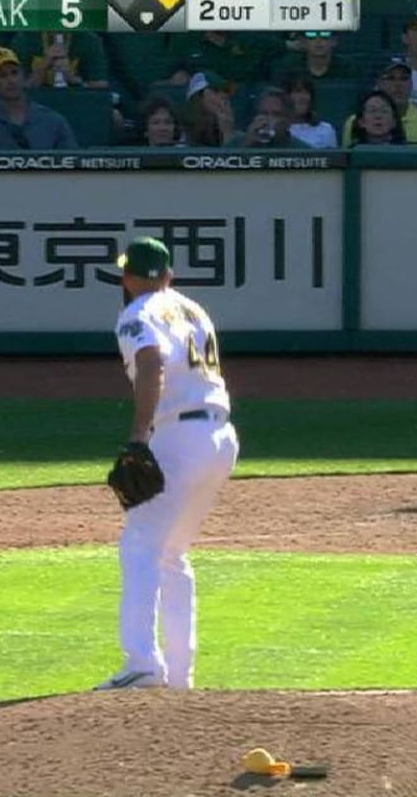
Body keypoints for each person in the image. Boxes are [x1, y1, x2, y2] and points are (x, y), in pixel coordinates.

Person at [96, 236, 239, 691]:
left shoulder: (137, 314)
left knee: (140, 545)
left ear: (129, 277)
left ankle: (142, 664)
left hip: (180, 436)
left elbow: (152, 361)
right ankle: (179, 676)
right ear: (169, 275)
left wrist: (139, 435)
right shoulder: (193, 309)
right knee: (171, 553)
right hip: (219, 437)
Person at [0, 48, 79, 150]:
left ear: (23, 76)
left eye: (14, 73)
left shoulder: (53, 120)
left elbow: (73, 162)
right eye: (3, 75)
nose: (11, 80)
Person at [339, 58, 417, 147]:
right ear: (379, 83)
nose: (398, 84)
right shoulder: (354, 121)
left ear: (411, 84)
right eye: (390, 78)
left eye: (404, 79)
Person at [13, 30, 110, 89]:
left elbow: (101, 86)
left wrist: (72, 79)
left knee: (115, 117)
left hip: (77, 101)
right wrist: (42, 68)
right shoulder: (25, 38)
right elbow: (15, 88)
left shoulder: (88, 40)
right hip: (35, 103)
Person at [227, 87, 312, 148]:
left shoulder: (301, 150)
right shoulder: (236, 143)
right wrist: (247, 144)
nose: (268, 119)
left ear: (289, 120)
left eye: (276, 114)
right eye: (263, 113)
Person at [270, 30, 359, 83]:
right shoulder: (288, 69)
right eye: (311, 35)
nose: (318, 41)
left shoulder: (349, 69)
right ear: (303, 41)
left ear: (334, 41)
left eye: (325, 35)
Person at [280, 71, 339, 149]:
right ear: (286, 96)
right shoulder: (277, 131)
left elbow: (334, 160)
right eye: (298, 92)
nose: (304, 97)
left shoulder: (325, 130)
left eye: (307, 92)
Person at [181, 70, 236, 147]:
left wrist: (227, 132)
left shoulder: (238, 137)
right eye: (216, 91)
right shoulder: (181, 135)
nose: (224, 96)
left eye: (225, 92)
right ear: (199, 96)